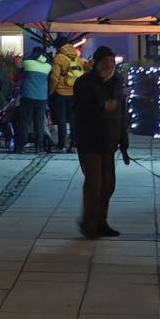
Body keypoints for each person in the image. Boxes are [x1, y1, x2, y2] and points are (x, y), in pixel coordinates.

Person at [73, 47, 132, 237]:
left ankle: (101, 221)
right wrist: (102, 107)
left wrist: (124, 144)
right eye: (105, 62)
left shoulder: (118, 83)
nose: (110, 66)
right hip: (89, 141)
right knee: (94, 183)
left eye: (112, 62)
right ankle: (88, 223)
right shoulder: (84, 83)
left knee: (108, 184)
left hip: (110, 142)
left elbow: (122, 114)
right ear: (96, 64)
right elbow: (80, 110)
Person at [20, 46, 53, 153]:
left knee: (25, 121)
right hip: (42, 97)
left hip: (27, 95)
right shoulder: (48, 66)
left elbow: (20, 71)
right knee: (39, 121)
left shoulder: (27, 62)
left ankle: (21, 145)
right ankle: (39, 147)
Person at [50, 42, 80, 153]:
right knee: (73, 120)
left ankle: (61, 145)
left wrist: (51, 90)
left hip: (60, 92)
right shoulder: (75, 56)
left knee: (61, 119)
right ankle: (74, 145)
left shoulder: (59, 57)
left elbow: (54, 77)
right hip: (74, 92)